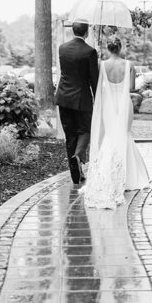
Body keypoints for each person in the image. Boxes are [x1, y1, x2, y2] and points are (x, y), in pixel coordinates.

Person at [82, 35, 149, 209]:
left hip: (108, 105)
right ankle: (127, 177)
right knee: (124, 135)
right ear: (120, 48)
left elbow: (99, 86)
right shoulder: (129, 65)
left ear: (108, 48)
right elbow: (132, 87)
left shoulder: (102, 65)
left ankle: (108, 175)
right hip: (124, 104)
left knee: (110, 136)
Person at [55, 20, 99, 184]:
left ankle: (76, 174)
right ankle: (78, 155)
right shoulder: (90, 52)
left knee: (70, 135)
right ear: (86, 32)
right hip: (82, 100)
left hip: (64, 97)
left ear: (73, 31)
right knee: (85, 130)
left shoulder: (62, 48)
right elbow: (94, 79)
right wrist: (98, 98)